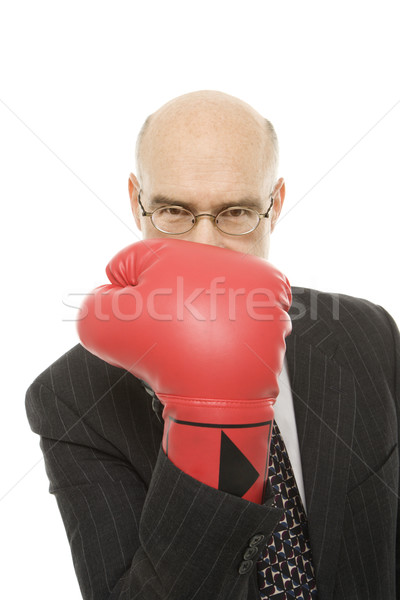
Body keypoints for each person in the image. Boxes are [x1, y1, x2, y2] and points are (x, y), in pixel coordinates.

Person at [25, 90, 399, 600]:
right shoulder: (69, 398)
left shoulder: (366, 332)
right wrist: (217, 422)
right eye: (174, 211)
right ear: (138, 202)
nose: (205, 250)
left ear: (276, 205)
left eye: (236, 213)